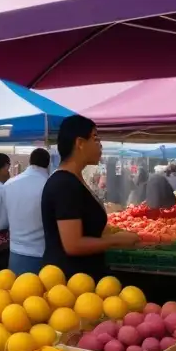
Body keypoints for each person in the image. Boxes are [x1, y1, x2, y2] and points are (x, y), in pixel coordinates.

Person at [41, 116, 138, 280]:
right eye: (95, 138)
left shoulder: (75, 179)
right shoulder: (65, 184)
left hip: (83, 278)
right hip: (69, 283)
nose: (100, 145)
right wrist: (115, 240)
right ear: (80, 143)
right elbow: (73, 244)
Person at [4, 148, 51, 274]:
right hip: (41, 256)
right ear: (48, 163)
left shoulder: (9, 184)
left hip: (14, 254)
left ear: (30, 161)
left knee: (15, 292)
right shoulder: (49, 185)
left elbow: (5, 218)